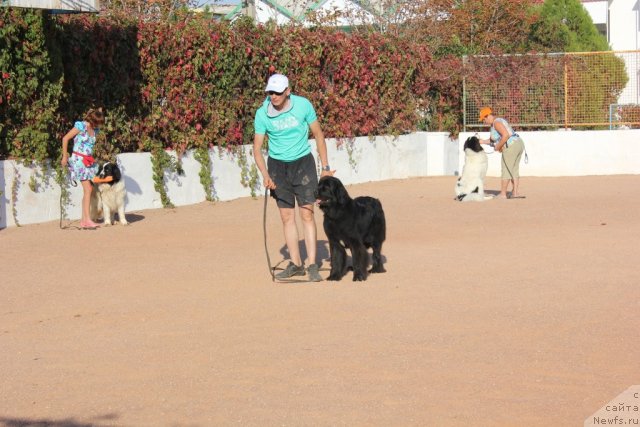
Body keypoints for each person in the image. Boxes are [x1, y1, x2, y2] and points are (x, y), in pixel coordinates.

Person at [253, 74, 333, 282]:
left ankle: (313, 264)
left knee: (307, 215)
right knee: (287, 218)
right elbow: (257, 148)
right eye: (271, 92)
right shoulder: (262, 114)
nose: (274, 96)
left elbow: (318, 134)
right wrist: (265, 175)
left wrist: (325, 168)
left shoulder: (303, 105)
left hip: (303, 165)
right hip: (278, 168)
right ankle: (297, 265)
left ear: (288, 91)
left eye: (278, 92)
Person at [61, 108, 105, 229]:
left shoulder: (95, 130)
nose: (101, 125)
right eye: (99, 122)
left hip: (88, 161)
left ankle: (84, 220)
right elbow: (65, 138)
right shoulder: (81, 126)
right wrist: (65, 156)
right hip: (79, 161)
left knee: (88, 189)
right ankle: (86, 220)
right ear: (94, 120)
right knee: (88, 189)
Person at [478, 107, 525, 199]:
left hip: (511, 146)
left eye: (484, 119)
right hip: (518, 143)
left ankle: (503, 194)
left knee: (506, 169)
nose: (484, 121)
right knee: (514, 169)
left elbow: (505, 135)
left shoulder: (496, 123)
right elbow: (493, 139)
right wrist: (482, 142)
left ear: (487, 116)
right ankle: (515, 193)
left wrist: (498, 146)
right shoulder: (498, 121)